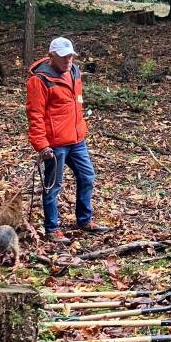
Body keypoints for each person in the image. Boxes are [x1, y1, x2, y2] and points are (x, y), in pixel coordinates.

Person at [27, 37, 107, 243]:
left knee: (87, 177)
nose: (68, 60)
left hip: (77, 139)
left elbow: (76, 104)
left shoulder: (75, 72)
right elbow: (35, 115)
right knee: (53, 186)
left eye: (71, 56)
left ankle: (84, 220)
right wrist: (42, 145)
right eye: (63, 57)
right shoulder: (40, 80)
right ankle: (52, 228)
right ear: (51, 56)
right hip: (55, 144)